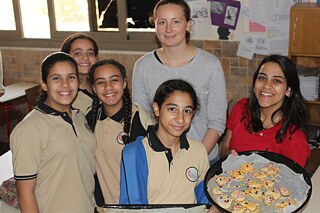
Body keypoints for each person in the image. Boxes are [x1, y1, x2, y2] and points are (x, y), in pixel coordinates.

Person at [132, 0, 227, 164]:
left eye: (176, 21)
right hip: (160, 161)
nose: (168, 29)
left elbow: (217, 123)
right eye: (162, 22)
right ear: (155, 25)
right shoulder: (143, 66)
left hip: (203, 159)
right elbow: (142, 118)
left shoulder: (210, 65)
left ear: (188, 25)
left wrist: (194, 160)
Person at [10, 52, 96, 212]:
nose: (65, 84)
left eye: (71, 77)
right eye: (56, 78)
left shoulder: (79, 117)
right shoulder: (30, 129)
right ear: (43, 84)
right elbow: (25, 193)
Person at [119, 79, 210, 205]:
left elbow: (205, 198)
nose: (180, 119)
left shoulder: (198, 150)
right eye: (172, 109)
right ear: (157, 109)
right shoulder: (135, 153)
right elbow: (134, 206)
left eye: (187, 111)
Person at [220, 54, 310, 167]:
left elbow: (293, 181)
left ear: (289, 90)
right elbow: (224, 148)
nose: (266, 85)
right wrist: (229, 155)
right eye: (262, 78)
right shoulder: (241, 108)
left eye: (276, 81)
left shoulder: (294, 138)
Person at [86, 59, 155, 205]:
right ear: (93, 87)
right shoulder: (89, 119)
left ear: (124, 83)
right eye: (100, 82)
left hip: (136, 205)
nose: (108, 87)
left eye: (114, 80)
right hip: (102, 205)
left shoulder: (141, 121)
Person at [61, 32, 99, 113]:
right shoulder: (64, 93)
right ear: (65, 57)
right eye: (78, 53)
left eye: (91, 53)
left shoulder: (99, 86)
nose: (85, 57)